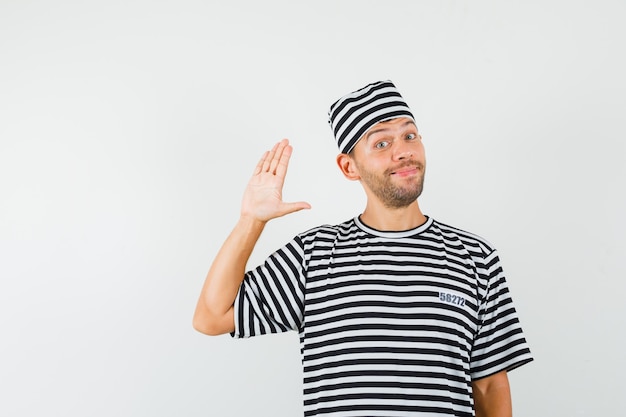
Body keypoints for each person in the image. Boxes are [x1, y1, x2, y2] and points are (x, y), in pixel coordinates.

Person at [193, 80, 533, 417]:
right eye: (382, 142)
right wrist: (251, 221)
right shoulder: (314, 255)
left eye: (409, 136)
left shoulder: (474, 257)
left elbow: (489, 383)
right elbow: (212, 316)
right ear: (349, 167)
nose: (403, 151)